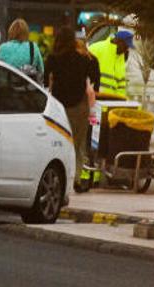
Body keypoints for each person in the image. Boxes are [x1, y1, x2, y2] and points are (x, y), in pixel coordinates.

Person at [44, 26, 100, 192]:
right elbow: (95, 75)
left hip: (57, 107)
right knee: (78, 144)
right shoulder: (84, 59)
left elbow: (46, 82)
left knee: (56, 143)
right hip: (78, 106)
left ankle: (59, 179)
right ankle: (76, 178)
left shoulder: (53, 58)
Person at [87, 29, 134, 98]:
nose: (126, 49)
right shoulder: (96, 49)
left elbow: (121, 83)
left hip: (112, 100)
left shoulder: (121, 56)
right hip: (95, 98)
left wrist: (121, 100)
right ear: (118, 41)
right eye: (125, 46)